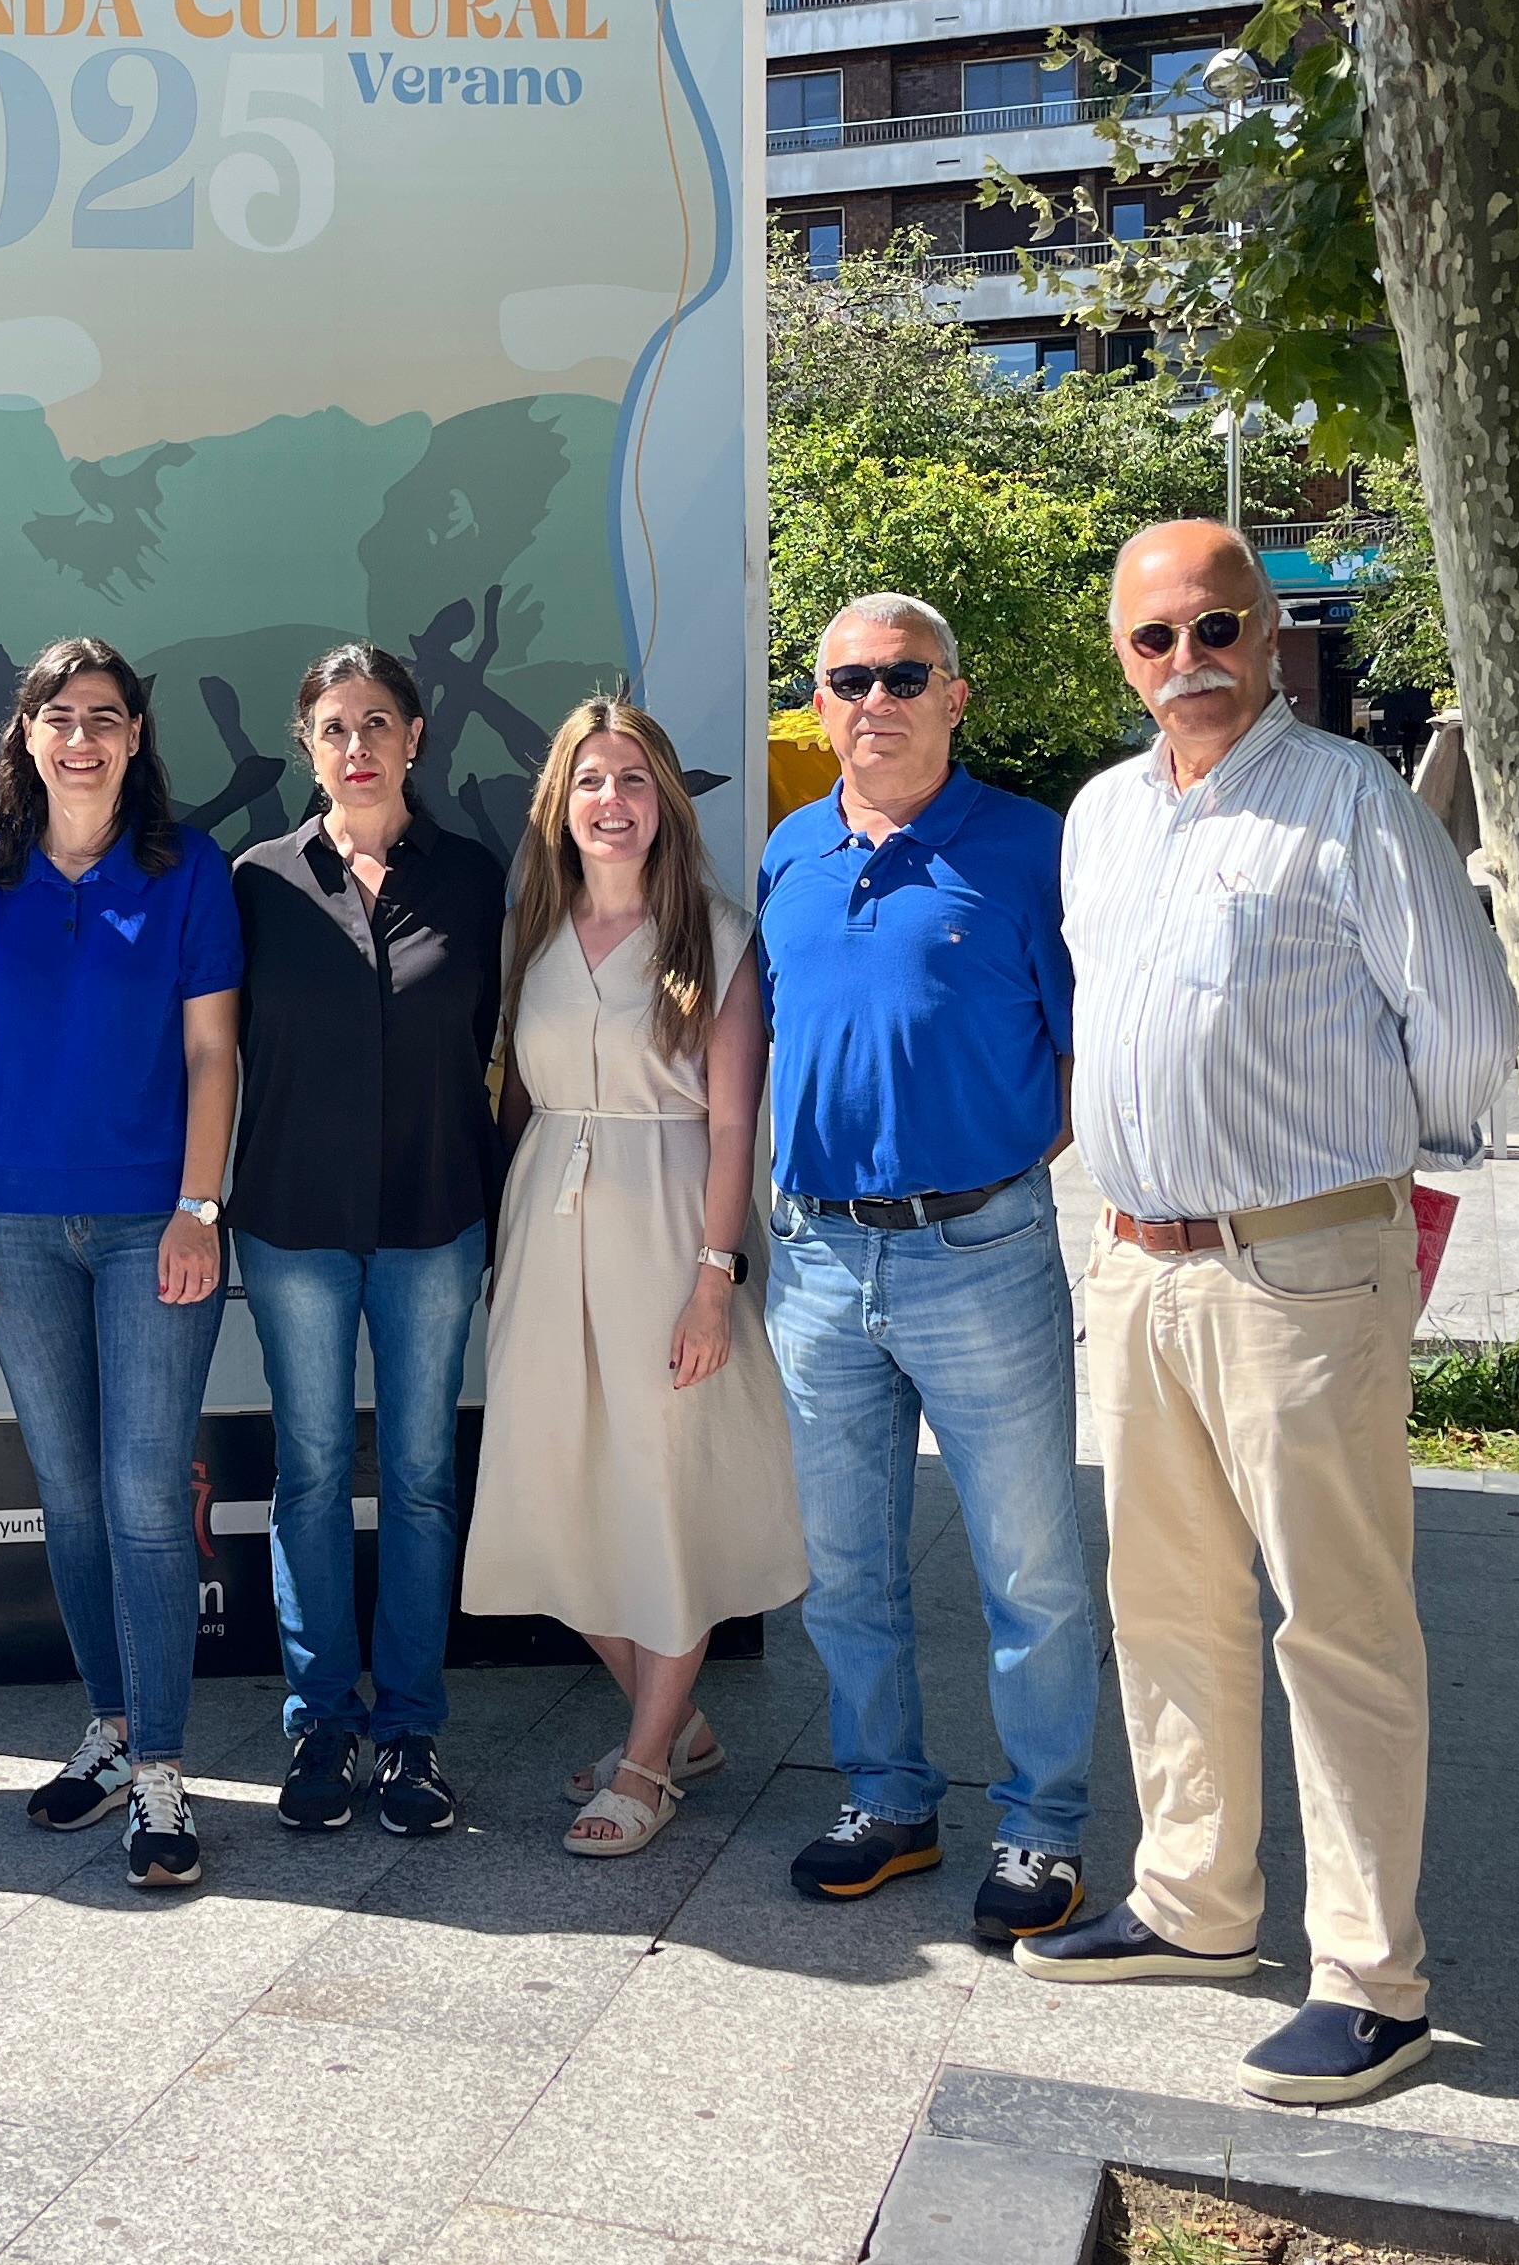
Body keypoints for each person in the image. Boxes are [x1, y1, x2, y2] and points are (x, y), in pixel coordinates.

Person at [1020, 521, 1518, 2111]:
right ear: (1122, 652)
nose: (1191, 662)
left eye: (1218, 628)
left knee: (1340, 1621)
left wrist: (1372, 1204)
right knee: (1163, 1600)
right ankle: (1194, 1904)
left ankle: (1374, 1981)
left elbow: (1471, 1036)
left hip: (1301, 1268)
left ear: (1270, 632)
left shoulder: (1352, 803)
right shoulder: (1102, 818)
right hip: (1139, 1261)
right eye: (1157, 638)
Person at [759, 595, 1100, 1941]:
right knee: (846, 1567)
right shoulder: (791, 849)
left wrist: (993, 1170)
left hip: (981, 1251)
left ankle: (1044, 1824)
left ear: (956, 696)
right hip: (816, 1259)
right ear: (821, 702)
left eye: (906, 675)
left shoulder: (1028, 848)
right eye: (850, 678)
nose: (876, 699)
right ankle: (888, 1801)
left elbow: (1081, 1059)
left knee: (1031, 1564)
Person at [461, 700, 805, 1856]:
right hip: (547, 1226)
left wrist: (716, 1278)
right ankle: (684, 1723)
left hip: (671, 1227)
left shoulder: (717, 932)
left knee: (666, 1489)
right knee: (550, 1488)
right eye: (592, 781)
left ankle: (649, 1761)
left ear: (667, 804)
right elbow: (512, 1097)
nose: (613, 804)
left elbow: (733, 1125)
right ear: (562, 802)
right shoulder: (533, 928)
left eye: (636, 783)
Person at [0, 639, 242, 1892]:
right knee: (66, 1487)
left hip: (149, 1225)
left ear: (135, 738)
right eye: (59, 717)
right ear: (26, 736)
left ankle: (164, 1777)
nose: (81, 738)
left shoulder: (187, 871)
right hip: (13, 1225)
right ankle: (109, 1731)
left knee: (147, 1496)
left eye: (105, 718)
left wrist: (199, 1207)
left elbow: (215, 1055)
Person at [228, 642, 506, 1840]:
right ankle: (319, 1724)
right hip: (292, 1220)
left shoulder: (476, 878)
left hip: (433, 1219)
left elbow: (522, 1046)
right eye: (336, 727)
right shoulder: (256, 882)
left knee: (424, 1480)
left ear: (415, 739)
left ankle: (409, 1732)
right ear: (308, 743)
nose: (358, 747)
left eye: (378, 724)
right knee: (307, 1475)